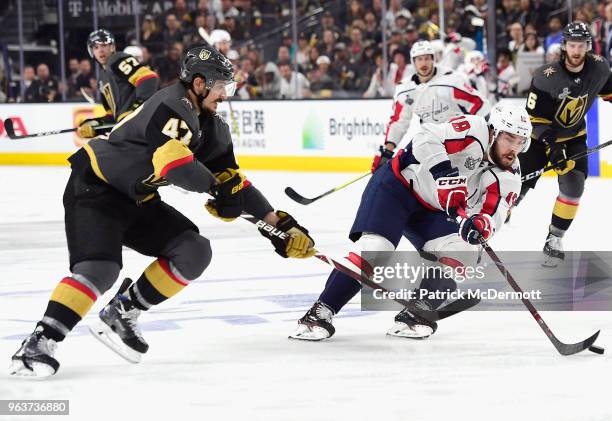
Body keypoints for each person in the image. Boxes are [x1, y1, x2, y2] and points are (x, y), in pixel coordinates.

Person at [9, 45, 316, 378]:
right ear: (199, 84)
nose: (225, 95)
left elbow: (234, 182)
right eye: (220, 86)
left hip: (137, 196)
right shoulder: (173, 104)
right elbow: (175, 166)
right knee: (100, 269)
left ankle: (123, 311)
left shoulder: (213, 127)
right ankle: (38, 344)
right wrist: (218, 189)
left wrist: (278, 225)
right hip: (96, 186)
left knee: (193, 250)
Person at [289, 104, 532, 341]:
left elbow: (494, 213)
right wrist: (444, 175)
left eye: (521, 142)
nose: (514, 148)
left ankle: (417, 311)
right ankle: (320, 312)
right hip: (397, 188)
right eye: (509, 138)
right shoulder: (472, 130)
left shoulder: (510, 176)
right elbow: (425, 138)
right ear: (493, 132)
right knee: (376, 249)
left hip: (433, 209)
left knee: (465, 250)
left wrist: (481, 225)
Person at [516, 22, 612, 266]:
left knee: (574, 187)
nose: (576, 50)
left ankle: (555, 238)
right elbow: (534, 120)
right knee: (516, 186)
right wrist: (553, 147)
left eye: (581, 45)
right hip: (539, 139)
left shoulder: (599, 68)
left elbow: (610, 93)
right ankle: (493, 220)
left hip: (574, 137)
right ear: (564, 46)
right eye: (572, 45)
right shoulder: (546, 76)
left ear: (587, 46)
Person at [371, 40, 491, 174]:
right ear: (413, 62)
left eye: (427, 58)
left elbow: (479, 103)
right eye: (419, 59)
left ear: (433, 59)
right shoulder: (405, 90)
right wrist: (387, 151)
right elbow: (399, 122)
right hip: (433, 142)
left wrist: (482, 135)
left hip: (460, 140)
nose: (424, 63)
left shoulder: (450, 81)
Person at [76, 29, 159, 140]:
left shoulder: (117, 60)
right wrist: (95, 125)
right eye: (96, 47)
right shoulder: (102, 78)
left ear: (112, 47)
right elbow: (114, 118)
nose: (100, 50)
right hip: (129, 132)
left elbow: (149, 78)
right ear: (92, 52)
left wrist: (136, 109)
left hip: (142, 128)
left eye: (104, 45)